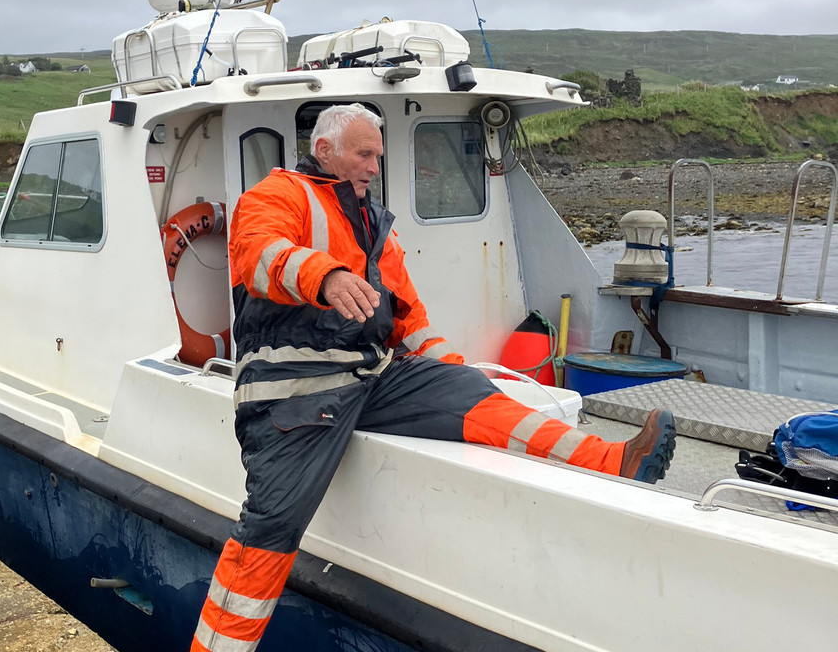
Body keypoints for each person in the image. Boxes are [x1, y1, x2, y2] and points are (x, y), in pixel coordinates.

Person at [189, 103, 676, 652]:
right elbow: (257, 254)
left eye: (378, 155)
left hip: (370, 376)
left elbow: (409, 319)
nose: (374, 166)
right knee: (271, 526)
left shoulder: (374, 221)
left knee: (471, 393)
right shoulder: (276, 196)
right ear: (324, 150)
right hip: (292, 390)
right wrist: (324, 277)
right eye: (363, 153)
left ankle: (614, 460)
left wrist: (449, 371)